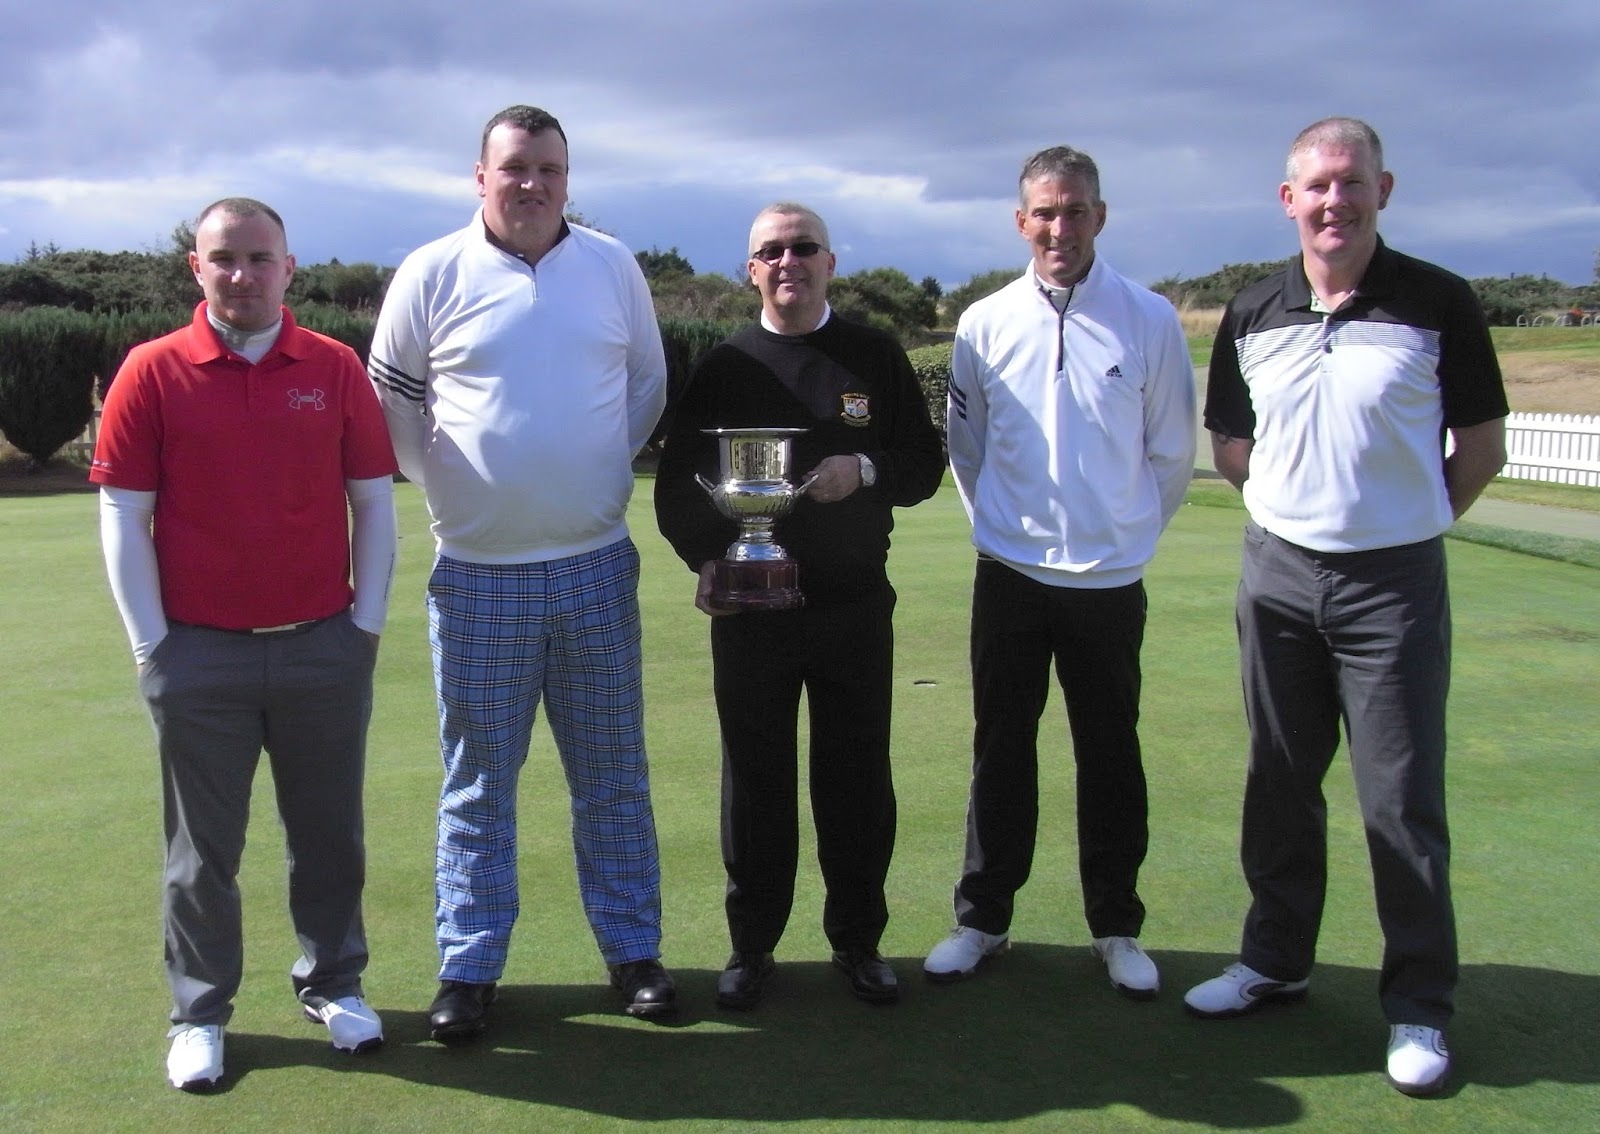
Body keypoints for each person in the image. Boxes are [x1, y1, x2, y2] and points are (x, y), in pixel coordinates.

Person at [1184, 117, 1508, 1098]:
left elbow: (1479, 446)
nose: (1334, 201)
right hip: (1277, 576)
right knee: (1278, 780)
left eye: (1351, 184)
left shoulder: (1436, 300)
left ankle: (1418, 1006)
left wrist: (1400, 525)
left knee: (1399, 799)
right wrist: (1294, 514)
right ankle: (1274, 961)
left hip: (1392, 587)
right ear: (1289, 200)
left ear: (1382, 189)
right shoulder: (1253, 308)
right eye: (1316, 187)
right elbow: (1231, 443)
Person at [368, 104, 673, 1038]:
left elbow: (646, 389)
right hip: (477, 577)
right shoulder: (430, 272)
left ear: (567, 179)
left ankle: (633, 954)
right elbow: (392, 400)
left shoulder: (612, 266)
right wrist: (459, 486)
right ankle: (468, 968)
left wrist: (580, 476)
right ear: (481, 176)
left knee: (614, 775)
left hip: (593, 567)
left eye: (549, 168)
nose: (532, 184)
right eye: (514, 168)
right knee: (478, 783)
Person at [91, 197, 399, 1090]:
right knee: (201, 853)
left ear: (289, 268)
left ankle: (333, 985)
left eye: (260, 259)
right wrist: (153, 647)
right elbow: (123, 517)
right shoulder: (151, 371)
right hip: (199, 655)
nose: (242, 274)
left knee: (329, 836)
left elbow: (373, 501)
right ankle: (198, 1013)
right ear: (197, 267)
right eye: (224, 258)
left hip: (321, 647)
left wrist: (365, 625)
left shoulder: (335, 367)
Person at [654, 202, 944, 1009]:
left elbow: (923, 463)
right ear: (751, 269)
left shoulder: (874, 355)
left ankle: (858, 941)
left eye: (803, 247)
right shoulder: (723, 367)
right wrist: (707, 561)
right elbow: (679, 486)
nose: (789, 261)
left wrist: (867, 469)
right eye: (771, 251)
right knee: (755, 780)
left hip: (853, 608)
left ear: (831, 261)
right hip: (753, 611)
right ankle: (752, 946)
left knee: (855, 776)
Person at [925, 146, 1196, 999]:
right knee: (1001, 750)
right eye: (1044, 212)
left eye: (1075, 211)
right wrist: (1004, 532)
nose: (1059, 227)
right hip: (1010, 574)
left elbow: (1172, 454)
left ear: (1099, 217)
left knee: (1110, 754)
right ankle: (983, 920)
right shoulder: (983, 322)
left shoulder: (1148, 319)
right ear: (1020, 221)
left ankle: (1115, 925)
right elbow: (966, 450)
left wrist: (1124, 538)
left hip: (1110, 582)